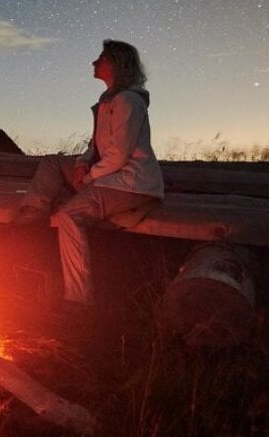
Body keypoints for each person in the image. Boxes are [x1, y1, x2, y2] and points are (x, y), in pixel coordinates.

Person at [14, 39, 164, 308]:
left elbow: (119, 155)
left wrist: (88, 178)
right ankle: (33, 215)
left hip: (129, 184)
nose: (94, 62)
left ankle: (78, 299)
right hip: (108, 175)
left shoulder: (128, 101)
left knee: (69, 217)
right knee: (52, 163)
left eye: (101, 59)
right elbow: (95, 146)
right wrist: (82, 164)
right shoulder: (107, 101)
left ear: (117, 64)